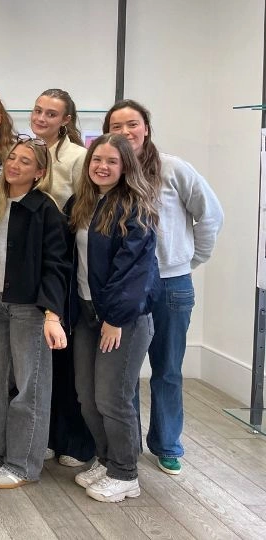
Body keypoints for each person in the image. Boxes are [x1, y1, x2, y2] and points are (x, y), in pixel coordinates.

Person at [104, 100, 223, 476]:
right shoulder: (110, 170)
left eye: (132, 124)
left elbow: (210, 214)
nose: (125, 132)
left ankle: (167, 443)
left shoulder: (174, 168)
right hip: (126, 285)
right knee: (124, 372)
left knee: (167, 369)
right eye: (116, 126)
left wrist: (189, 260)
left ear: (146, 128)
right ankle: (126, 445)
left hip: (171, 285)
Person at [67, 133, 159, 503]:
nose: (102, 167)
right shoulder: (83, 203)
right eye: (97, 160)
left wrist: (116, 318)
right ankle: (106, 461)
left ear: (126, 166)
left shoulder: (136, 207)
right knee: (87, 397)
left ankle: (125, 473)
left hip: (123, 320)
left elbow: (134, 271)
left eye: (111, 161)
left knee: (113, 397)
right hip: (87, 313)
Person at [0, 137, 69, 489]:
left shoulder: (45, 210)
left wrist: (51, 315)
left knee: (30, 387)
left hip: (30, 308)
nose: (14, 165)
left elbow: (57, 266)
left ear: (40, 172)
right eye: (12, 158)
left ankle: (23, 463)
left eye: (25, 162)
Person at [30, 89, 95, 468]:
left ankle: (75, 441)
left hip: (63, 258)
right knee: (41, 359)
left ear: (66, 120)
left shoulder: (77, 157)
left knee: (66, 357)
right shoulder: (29, 150)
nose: (41, 118)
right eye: (38, 110)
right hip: (31, 261)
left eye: (51, 114)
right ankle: (48, 435)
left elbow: (82, 210)